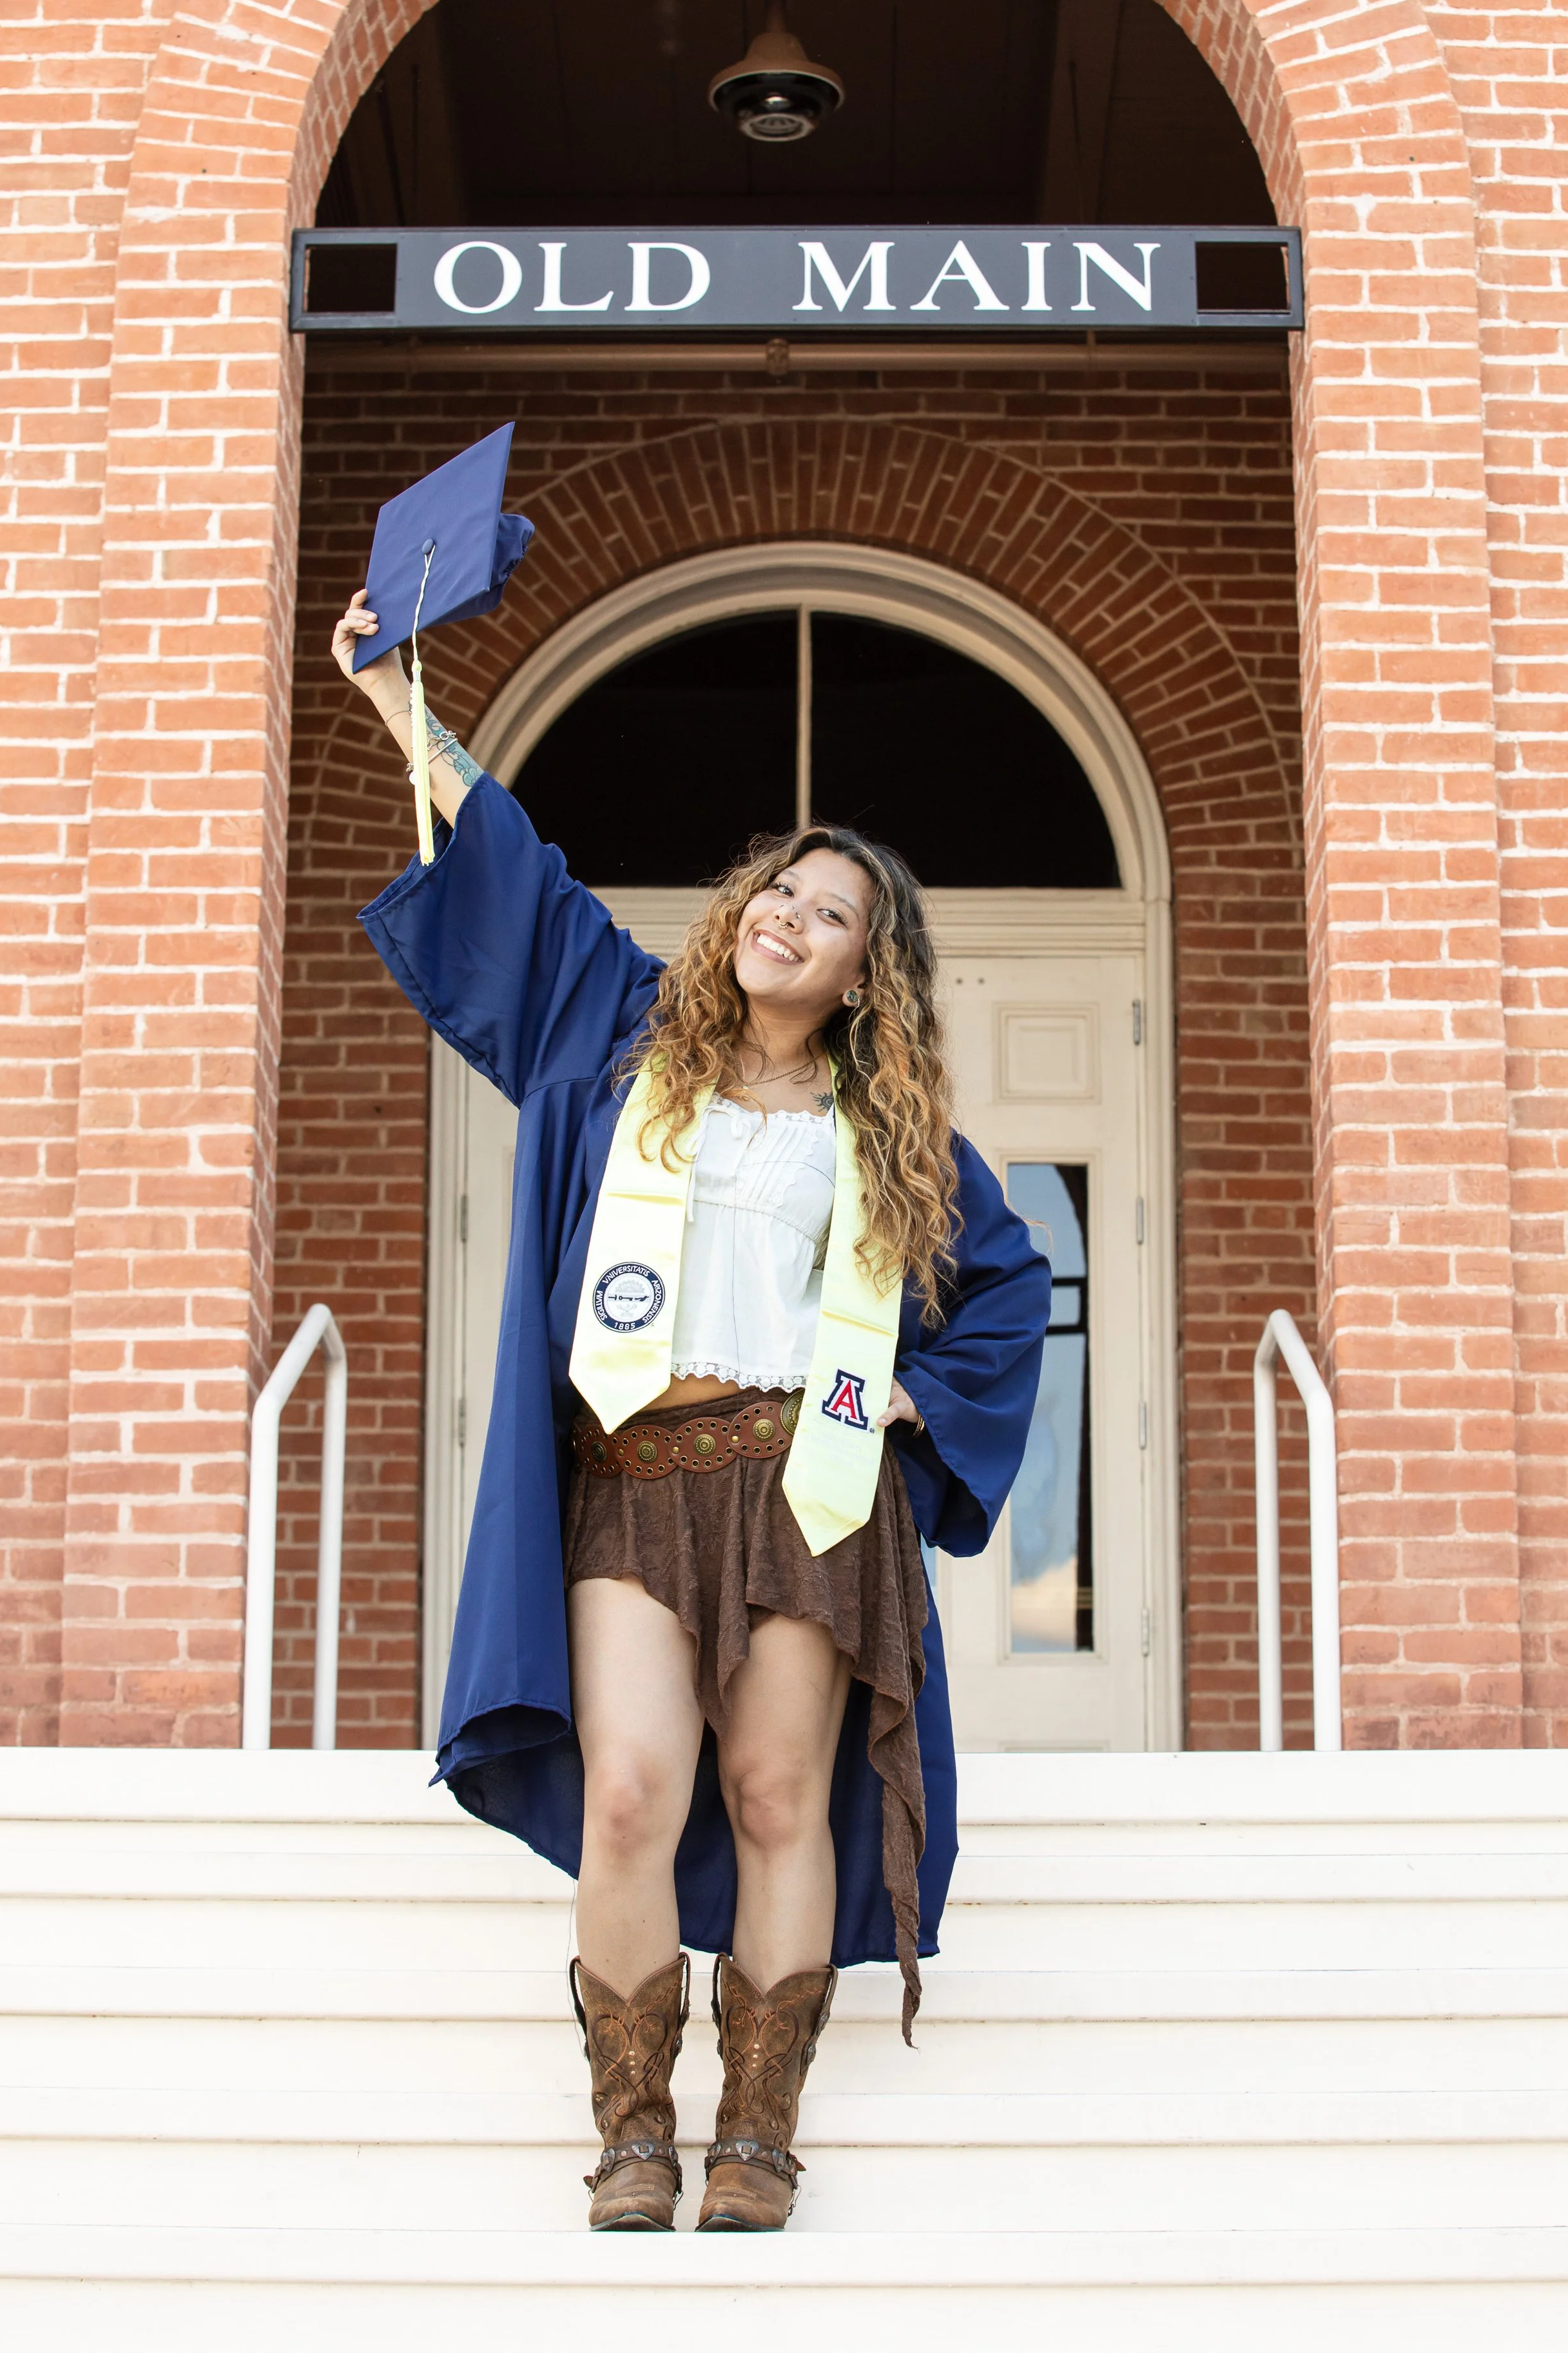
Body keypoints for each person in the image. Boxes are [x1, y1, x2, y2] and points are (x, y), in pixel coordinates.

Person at [333, 589, 1050, 2234]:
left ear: (872, 970)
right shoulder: (621, 1045)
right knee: (631, 1790)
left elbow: (1005, 1303)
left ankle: (761, 2134)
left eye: (833, 912)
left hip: (802, 1486)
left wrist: (893, 1415)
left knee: (778, 1797)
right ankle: (633, 2128)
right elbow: (513, 871)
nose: (789, 917)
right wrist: (394, 699)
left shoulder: (902, 1154)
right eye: (778, 891)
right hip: (633, 1479)